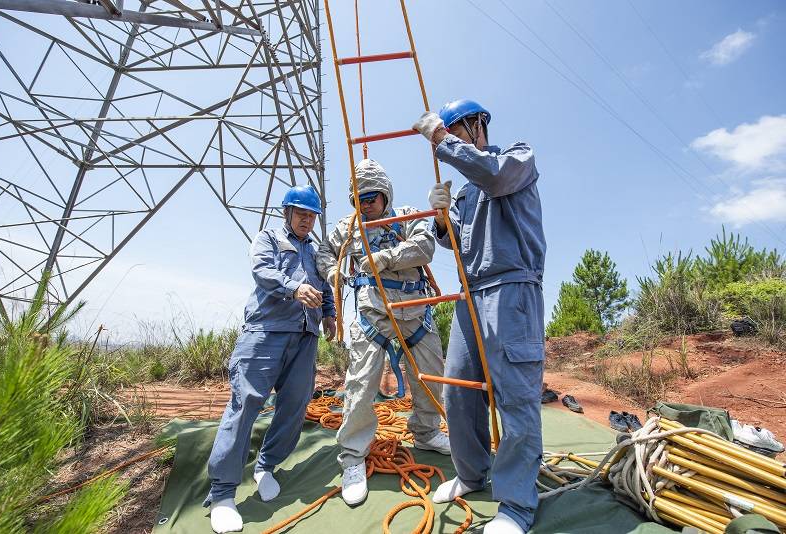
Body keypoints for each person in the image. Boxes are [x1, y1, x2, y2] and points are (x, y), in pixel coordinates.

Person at [413, 100, 546, 534]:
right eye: (447, 131)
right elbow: (461, 241)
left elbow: (493, 175)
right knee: (459, 391)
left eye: (456, 130)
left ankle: (517, 506)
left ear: (476, 125)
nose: (451, 137)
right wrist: (439, 221)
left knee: (514, 396)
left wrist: (438, 139)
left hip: (511, 290)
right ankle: (472, 474)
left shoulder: (516, 158)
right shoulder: (469, 190)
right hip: (470, 296)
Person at [316, 159, 450, 507]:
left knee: (431, 377)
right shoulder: (348, 228)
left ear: (386, 195)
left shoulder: (405, 215)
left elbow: (424, 247)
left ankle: (426, 432)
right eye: (359, 200)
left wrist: (385, 258)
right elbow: (324, 253)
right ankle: (353, 456)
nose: (366, 205)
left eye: (372, 198)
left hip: (416, 311)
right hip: (371, 315)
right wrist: (334, 273)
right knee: (361, 386)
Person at [203, 185, 336, 534]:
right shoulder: (268, 239)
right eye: (301, 213)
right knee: (245, 403)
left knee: (295, 405)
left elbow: (326, 284)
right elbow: (262, 271)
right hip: (265, 332)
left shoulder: (318, 250)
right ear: (287, 212)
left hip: (306, 337)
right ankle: (222, 494)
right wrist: (293, 288)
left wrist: (330, 313)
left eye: (312, 215)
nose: (308, 220)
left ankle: (266, 465)